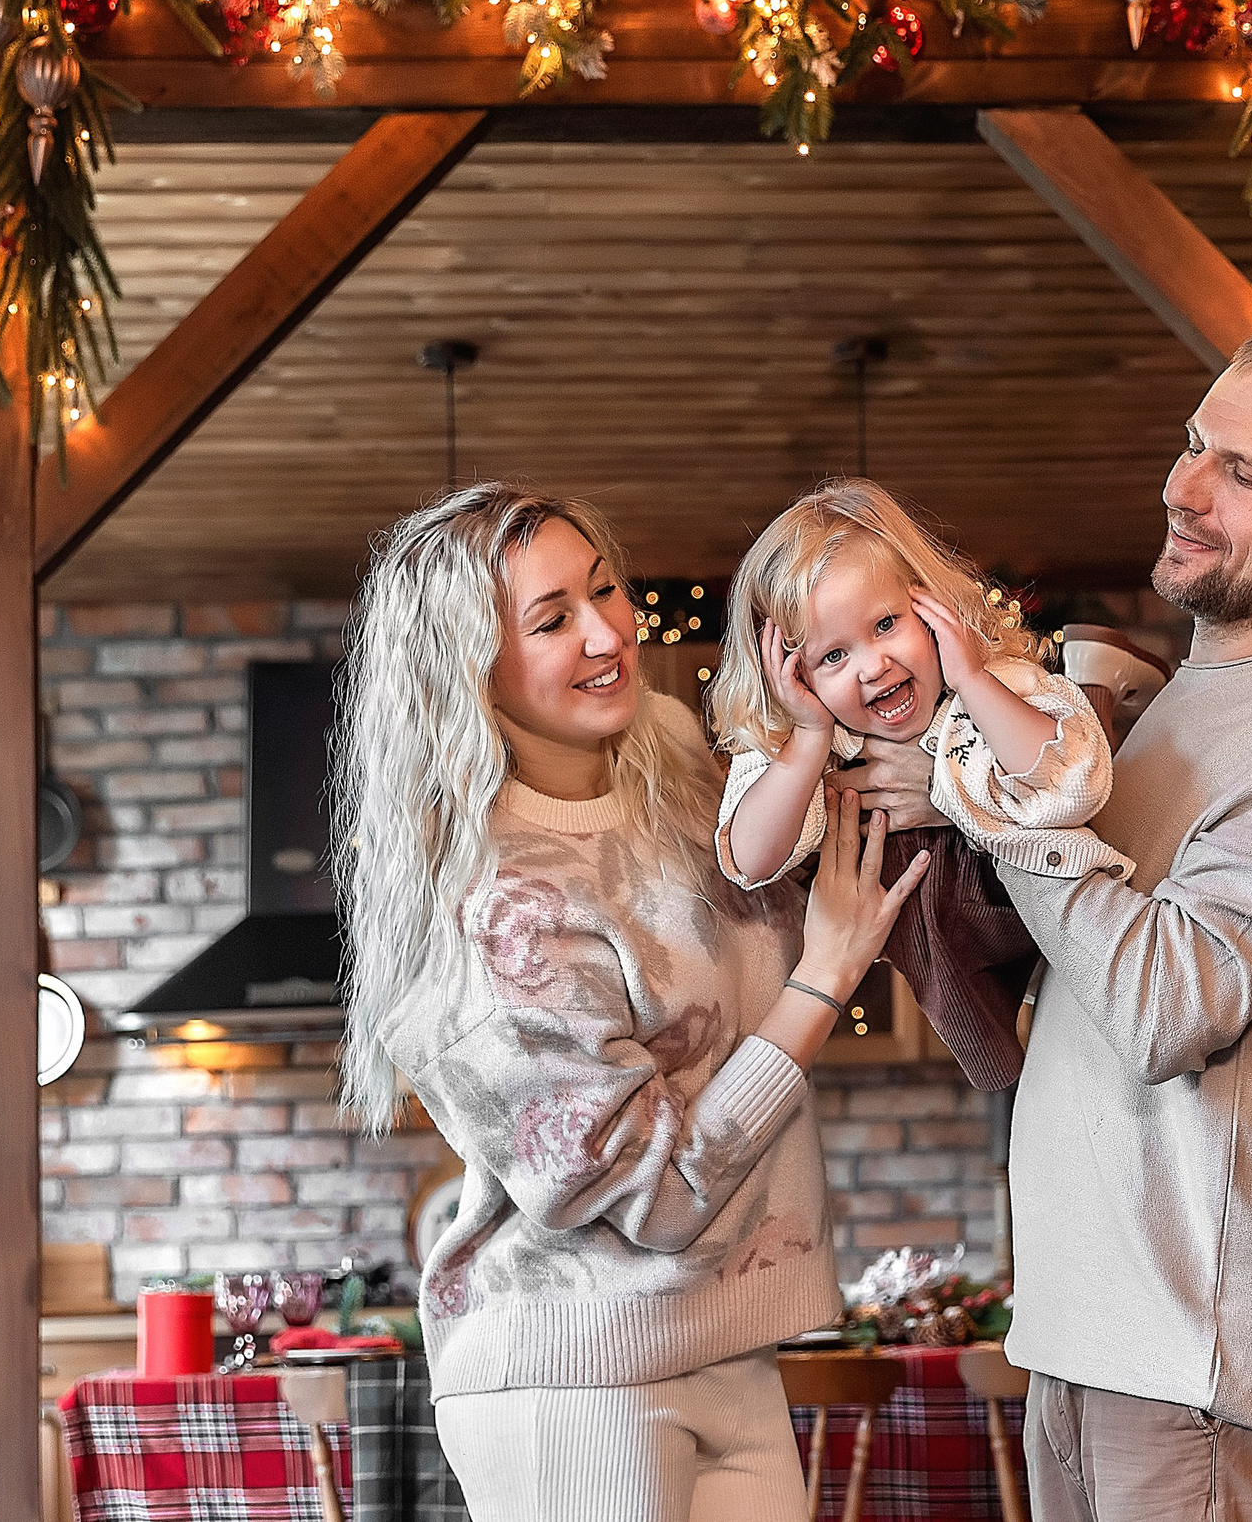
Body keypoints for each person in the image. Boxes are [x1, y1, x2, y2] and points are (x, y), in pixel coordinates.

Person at [843, 316, 1252, 1521]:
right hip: (1091, 1338)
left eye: (1243, 472)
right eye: (1193, 446)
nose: (1187, 489)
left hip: (1189, 1365)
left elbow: (1170, 1009)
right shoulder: (1187, 707)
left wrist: (1002, 798)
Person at [331, 483, 927, 1522]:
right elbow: (657, 1196)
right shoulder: (493, 909)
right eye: (553, 619)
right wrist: (824, 978)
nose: (610, 632)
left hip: (725, 1343)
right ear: (466, 666)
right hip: (575, 1373)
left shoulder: (679, 773)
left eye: (605, 591)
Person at [707, 477, 1124, 1091]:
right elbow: (750, 859)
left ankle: (1101, 685)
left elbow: (1075, 786)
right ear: (795, 681)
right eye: (833, 657)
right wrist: (806, 743)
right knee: (1006, 1073)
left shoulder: (991, 680)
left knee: (1089, 1010)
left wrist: (977, 682)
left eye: (885, 624)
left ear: (929, 607)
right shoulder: (805, 743)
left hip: (1040, 888)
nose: (873, 665)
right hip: (933, 933)